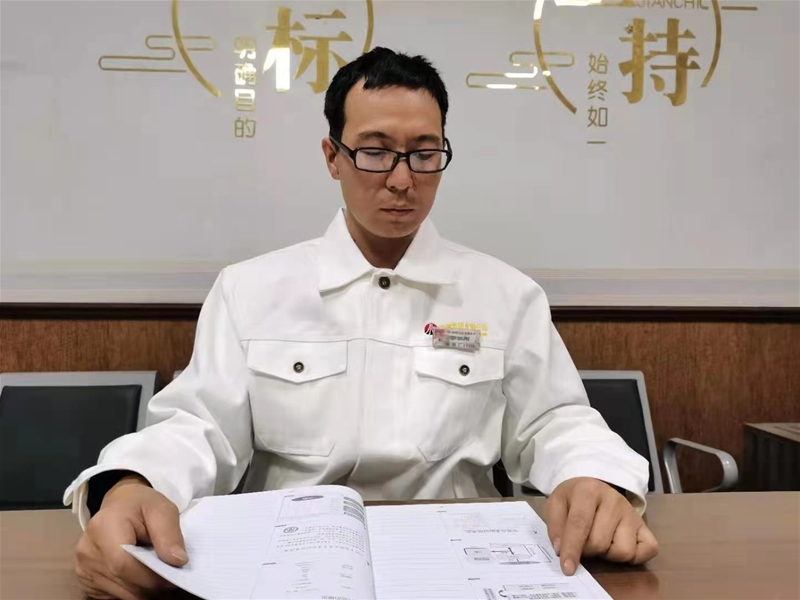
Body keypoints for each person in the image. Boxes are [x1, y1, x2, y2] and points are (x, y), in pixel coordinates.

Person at [67, 47, 658, 599]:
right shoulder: (251, 290)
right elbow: (199, 426)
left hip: (457, 565)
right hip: (289, 565)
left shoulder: (504, 295)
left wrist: (594, 478)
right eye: (375, 152)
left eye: (424, 154)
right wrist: (131, 484)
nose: (402, 179)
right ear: (333, 157)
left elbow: (555, 421)